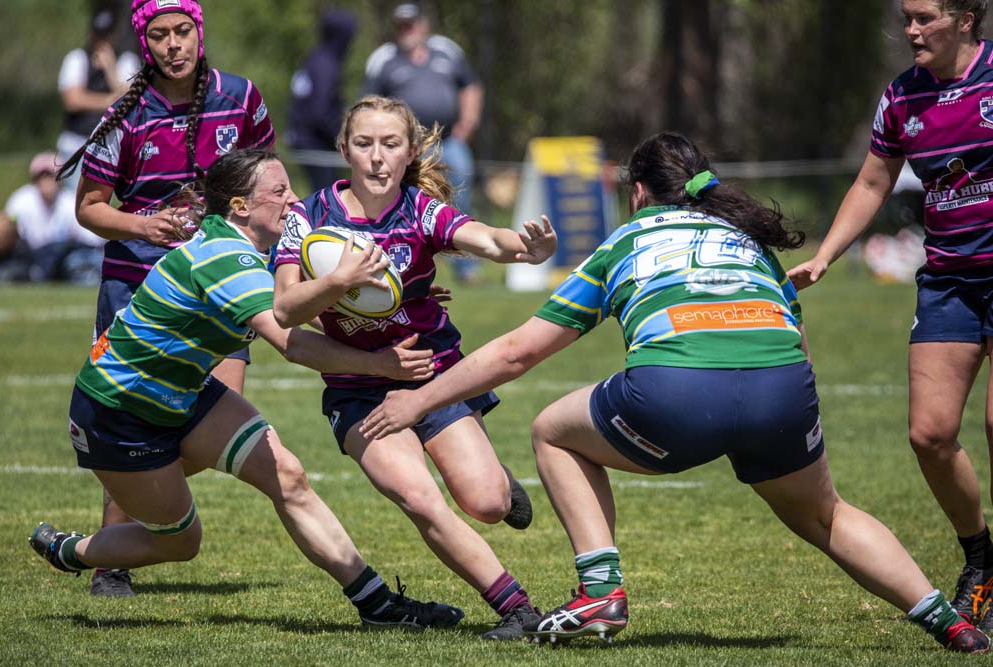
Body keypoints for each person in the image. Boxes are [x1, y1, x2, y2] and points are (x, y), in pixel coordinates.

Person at [359, 132, 991, 652]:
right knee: (827, 515)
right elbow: (795, 339)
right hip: (783, 391)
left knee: (553, 431)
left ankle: (600, 593)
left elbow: (517, 352)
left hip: (676, 393)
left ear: (637, 191)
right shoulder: (747, 241)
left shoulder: (625, 242)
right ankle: (948, 620)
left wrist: (418, 400)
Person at [29, 148, 463, 631]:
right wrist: (377, 364)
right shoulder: (226, 259)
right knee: (180, 542)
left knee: (288, 478)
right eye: (279, 191)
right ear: (240, 206)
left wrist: (395, 299)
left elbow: (308, 303)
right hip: (119, 411)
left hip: (184, 393)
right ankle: (71, 550)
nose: (294, 200)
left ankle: (378, 606)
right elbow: (292, 341)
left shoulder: (253, 249)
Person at [272, 95, 555, 640]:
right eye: (364, 144)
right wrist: (339, 279)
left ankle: (500, 482)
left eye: (390, 144)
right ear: (344, 150)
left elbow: (485, 238)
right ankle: (518, 611)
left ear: (409, 154)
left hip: (432, 375)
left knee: (487, 503)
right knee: (419, 497)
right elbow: (285, 310)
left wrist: (523, 248)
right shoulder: (308, 218)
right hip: (359, 390)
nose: (377, 157)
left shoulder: (419, 210)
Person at [55, 0, 275, 598]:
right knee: (137, 420)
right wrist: (144, 226)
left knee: (219, 414)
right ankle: (111, 561)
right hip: (137, 289)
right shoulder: (124, 115)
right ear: (144, 42)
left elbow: (268, 182)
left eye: (182, 31)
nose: (173, 44)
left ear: (199, 33)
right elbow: (89, 208)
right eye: (159, 34)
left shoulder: (241, 99)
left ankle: (138, 510)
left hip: (220, 286)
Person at [787, 0, 993, 630]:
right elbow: (873, 183)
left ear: (965, 18)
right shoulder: (902, 97)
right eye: (906, 17)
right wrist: (824, 255)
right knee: (929, 435)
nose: (910, 30)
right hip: (949, 283)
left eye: (924, 17)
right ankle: (982, 560)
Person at [363, 2, 484, 284]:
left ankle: (467, 268)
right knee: (403, 203)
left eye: (412, 23)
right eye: (402, 25)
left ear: (424, 24)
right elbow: (368, 103)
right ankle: (410, 265)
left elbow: (471, 85)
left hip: (450, 141)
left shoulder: (447, 50)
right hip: (403, 147)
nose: (408, 30)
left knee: (461, 197)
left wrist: (468, 122)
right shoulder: (384, 59)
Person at [57, 8, 141, 191]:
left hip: (112, 144)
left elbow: (129, 100)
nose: (102, 41)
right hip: (76, 141)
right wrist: (110, 100)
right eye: (99, 35)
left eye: (107, 35)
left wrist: (110, 69)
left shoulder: (127, 60)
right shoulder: (77, 58)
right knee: (73, 197)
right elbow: (72, 100)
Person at [0, 152, 104, 284]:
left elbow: (93, 240)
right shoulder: (21, 200)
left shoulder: (70, 202)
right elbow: (7, 227)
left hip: (63, 261)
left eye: (51, 176)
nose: (46, 182)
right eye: (41, 176)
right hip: (29, 258)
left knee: (79, 261)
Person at [287, 7, 357, 191]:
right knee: (326, 195)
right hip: (314, 143)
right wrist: (344, 137)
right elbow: (320, 111)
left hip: (303, 138)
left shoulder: (315, 58)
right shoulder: (326, 65)